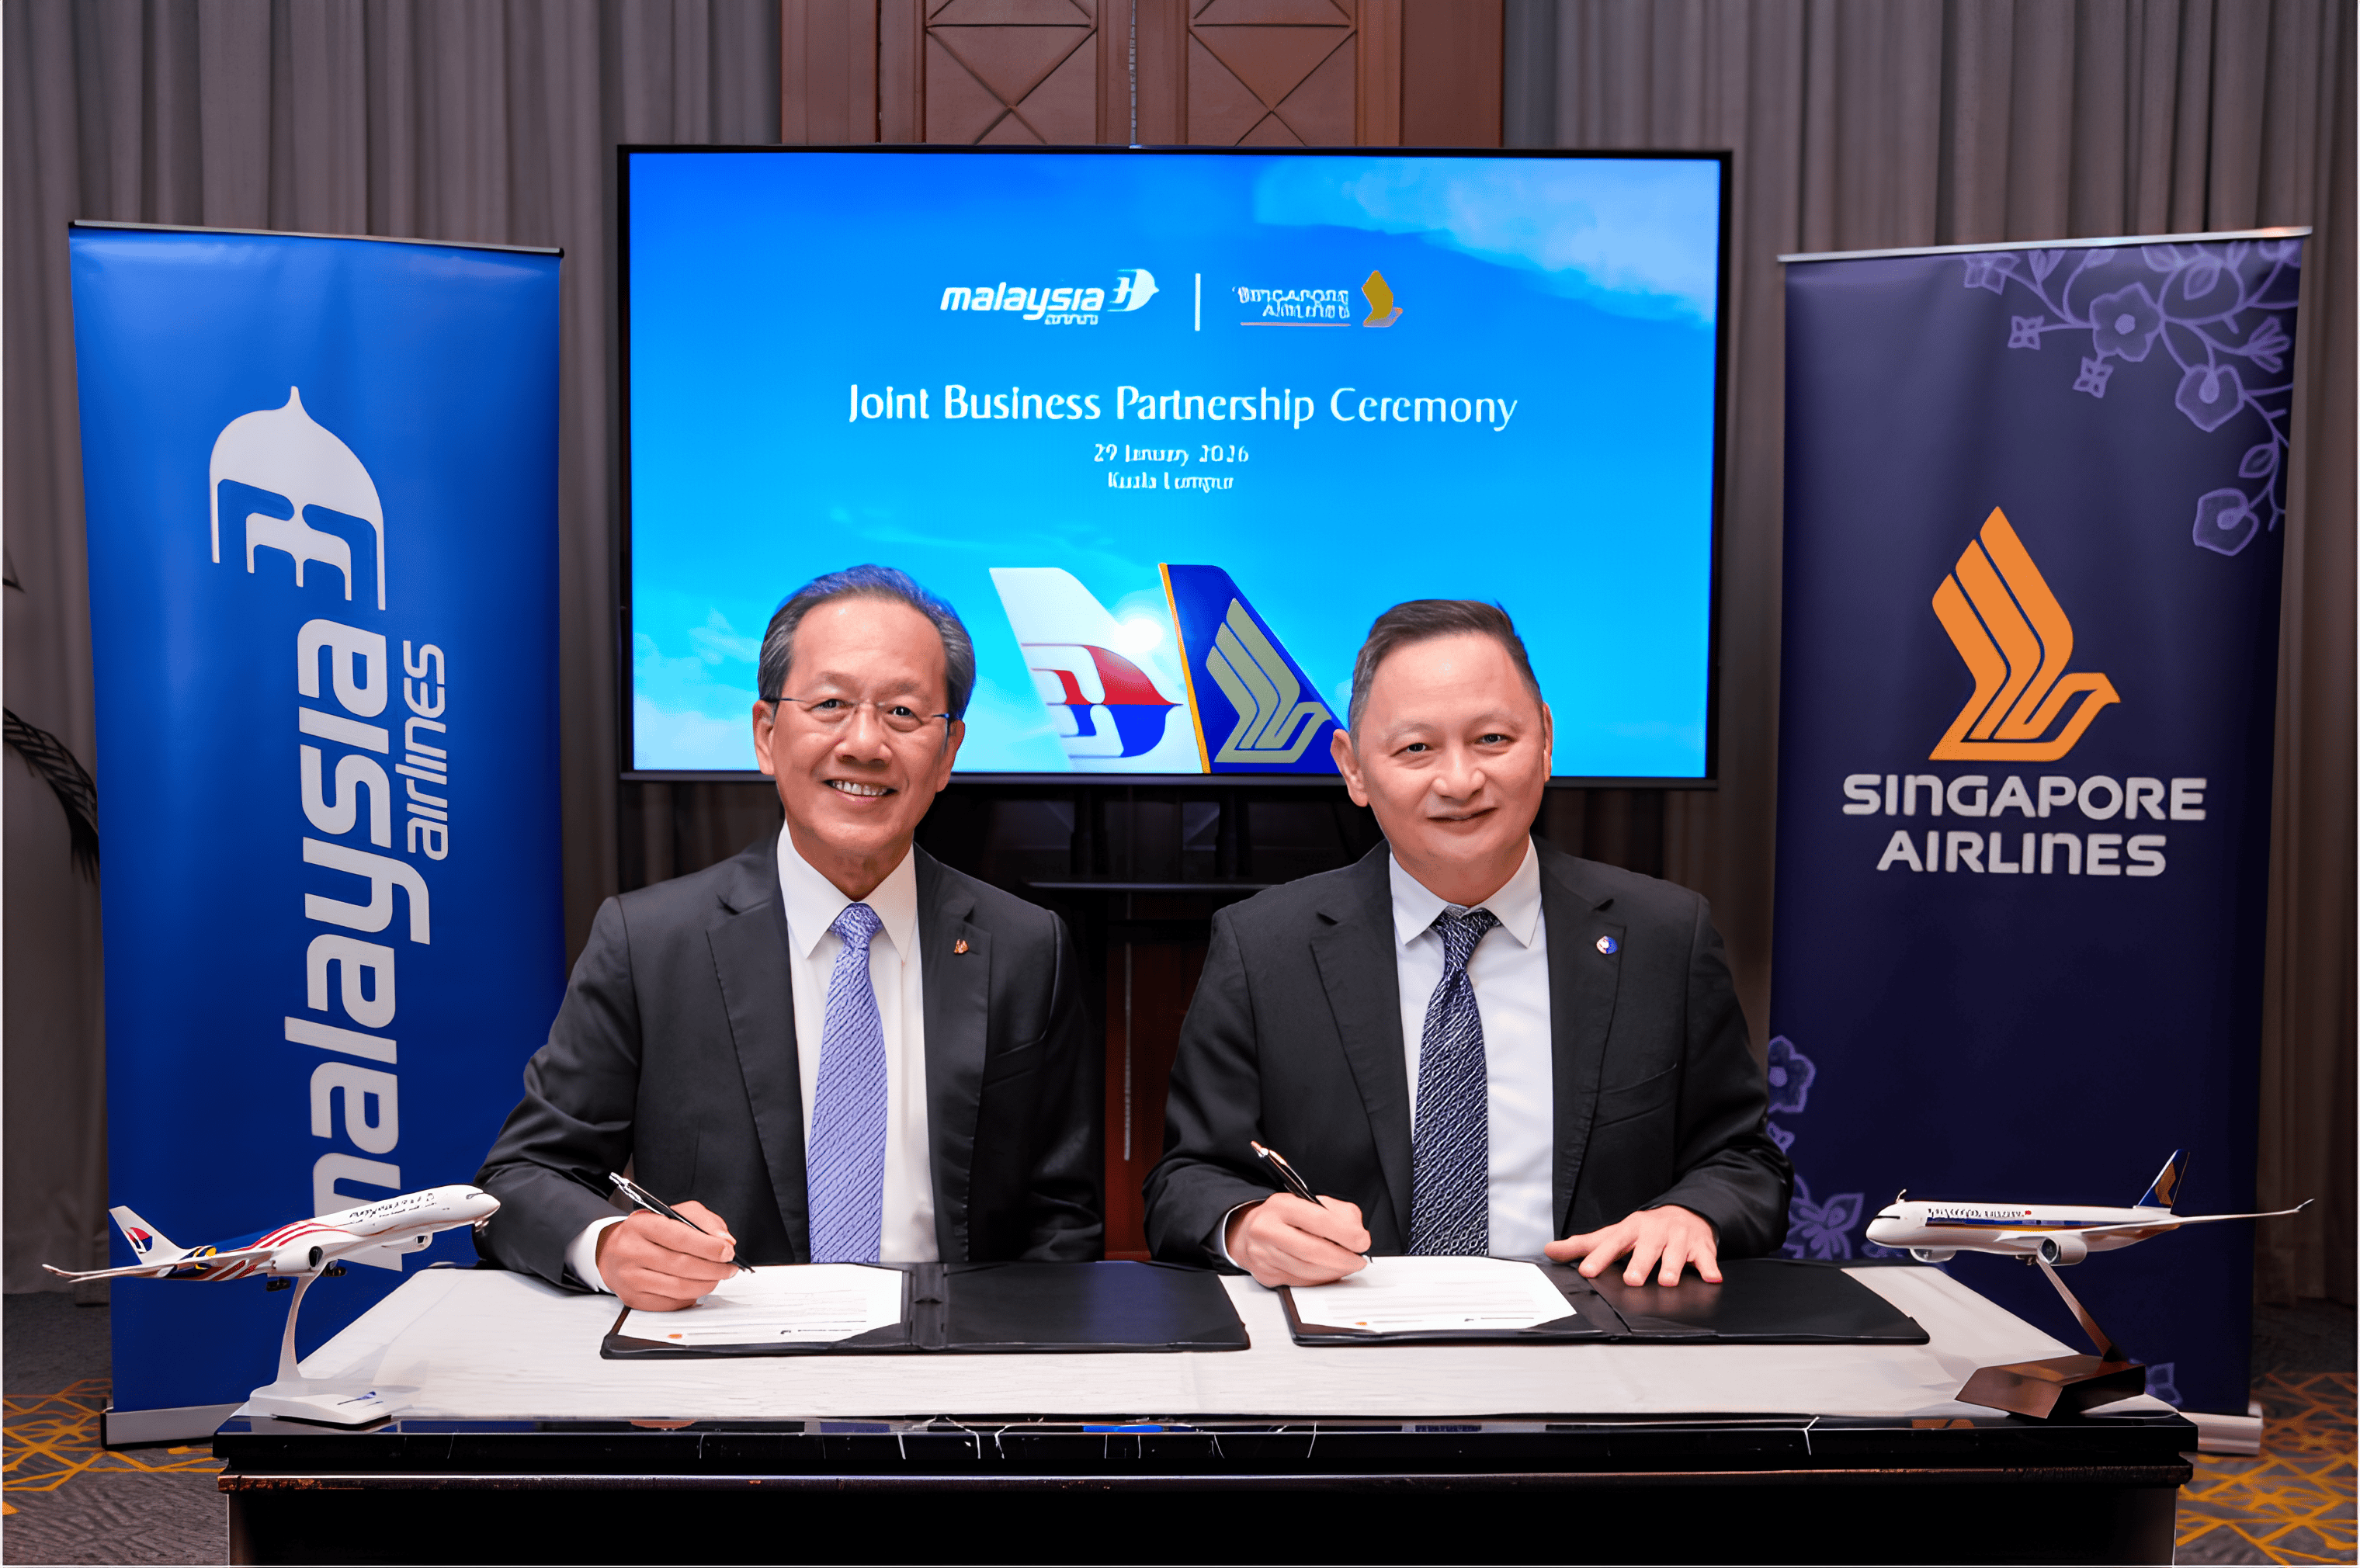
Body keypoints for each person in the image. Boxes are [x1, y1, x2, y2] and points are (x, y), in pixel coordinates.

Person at [476, 566, 1099, 1310]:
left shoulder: (1027, 949)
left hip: (952, 1377)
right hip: (719, 1375)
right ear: (767, 736)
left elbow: (1063, 1220)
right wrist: (609, 1245)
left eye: (903, 712)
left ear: (948, 753)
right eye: (831, 704)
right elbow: (517, 1183)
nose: (864, 743)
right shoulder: (648, 944)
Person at [1144, 599, 1789, 1289]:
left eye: (1492, 740)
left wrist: (1694, 1212)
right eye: (1416, 748)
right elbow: (1187, 1180)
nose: (1459, 782)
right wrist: (1245, 1224)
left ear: (1545, 740)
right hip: (1348, 1351)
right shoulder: (1264, 945)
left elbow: (1744, 1162)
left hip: (1598, 1345)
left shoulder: (1664, 935)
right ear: (1354, 768)